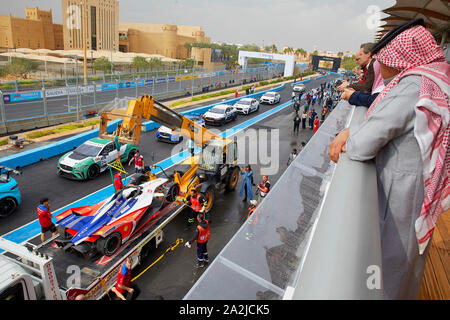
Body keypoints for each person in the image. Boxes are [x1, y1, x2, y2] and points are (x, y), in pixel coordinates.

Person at [328, 19, 450, 299]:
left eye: (383, 60)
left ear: (401, 56)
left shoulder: (413, 84)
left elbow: (362, 146)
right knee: (409, 266)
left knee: (390, 267)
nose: (380, 67)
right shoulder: (435, 76)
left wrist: (349, 134)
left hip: (403, 195)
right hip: (417, 185)